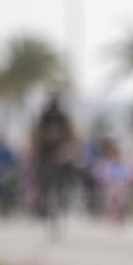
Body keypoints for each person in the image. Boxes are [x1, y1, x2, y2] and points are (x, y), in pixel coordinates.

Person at [32, 92, 77, 222]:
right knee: (40, 172)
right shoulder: (44, 117)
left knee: (69, 167)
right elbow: (38, 135)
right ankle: (43, 201)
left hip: (60, 150)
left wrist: (66, 147)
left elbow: (70, 135)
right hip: (46, 150)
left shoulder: (63, 117)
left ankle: (67, 190)